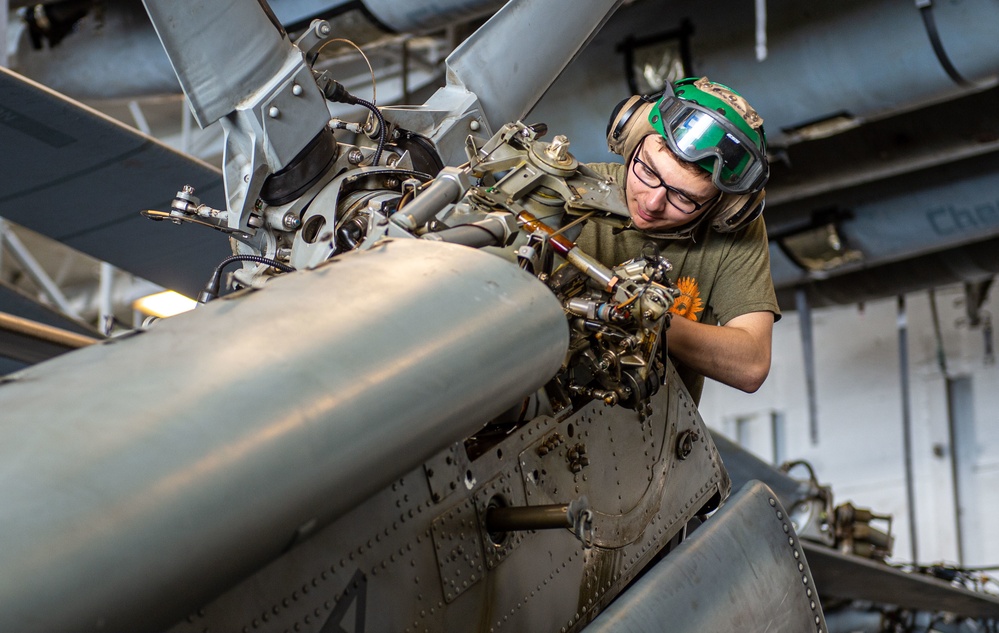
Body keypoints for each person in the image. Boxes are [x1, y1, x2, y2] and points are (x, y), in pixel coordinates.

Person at [576, 76, 780, 404]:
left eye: (682, 198)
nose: (653, 202)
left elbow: (751, 363)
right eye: (649, 172)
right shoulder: (569, 194)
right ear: (630, 139)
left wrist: (646, 316)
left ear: (724, 209)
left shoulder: (732, 235)